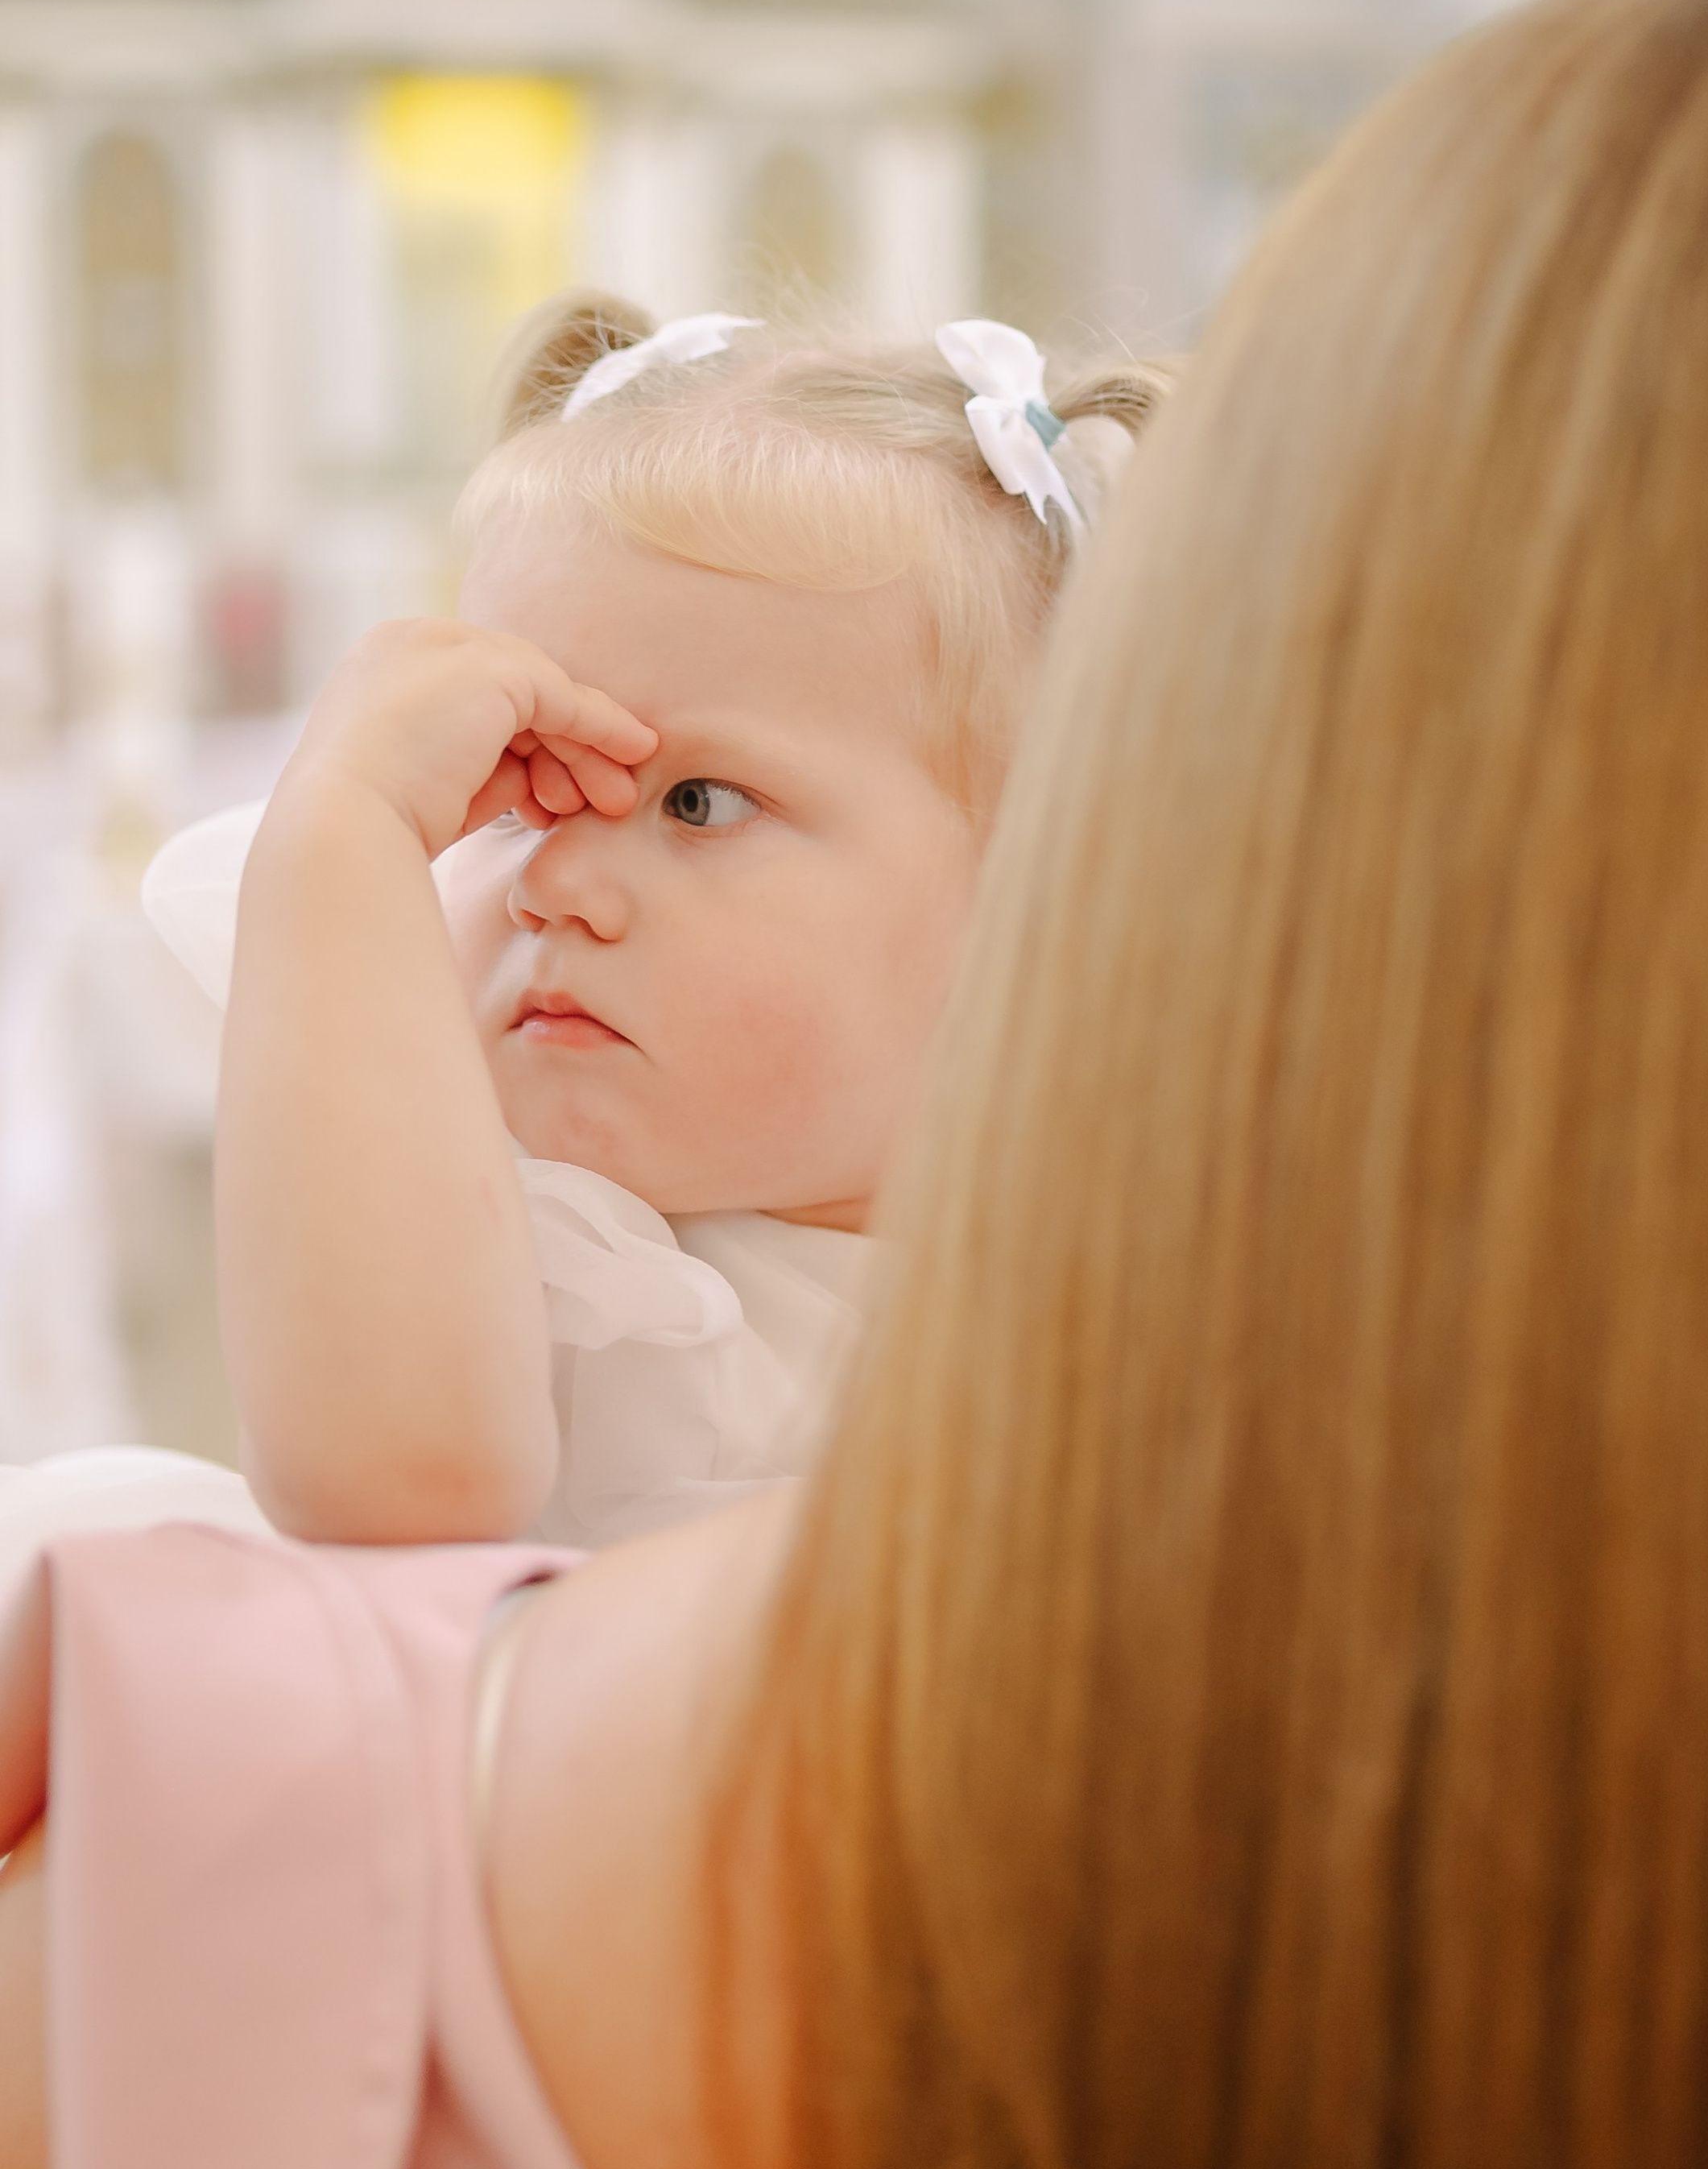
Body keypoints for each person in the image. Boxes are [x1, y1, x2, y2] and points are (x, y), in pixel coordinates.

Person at [9, 0, 1708, 2169]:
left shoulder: (221, 1833)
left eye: (710, 796)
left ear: (1151, 815)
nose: (574, 874)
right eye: (553, 793)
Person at [0, 304, 1164, 1576]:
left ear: (1045, 884)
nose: (557, 885)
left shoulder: (1135, 1309)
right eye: (514, 784)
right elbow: (381, 1496)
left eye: (698, 804)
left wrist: (344, 833)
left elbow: (406, 1484)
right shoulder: (496, 1210)